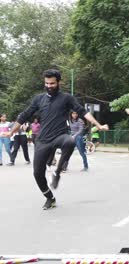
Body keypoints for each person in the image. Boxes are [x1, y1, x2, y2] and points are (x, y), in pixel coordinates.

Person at [0, 69, 108, 210]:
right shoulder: (39, 99)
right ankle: (50, 198)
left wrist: (98, 125)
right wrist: (11, 132)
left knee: (70, 141)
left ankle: (57, 171)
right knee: (37, 173)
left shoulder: (66, 98)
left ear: (58, 82)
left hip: (60, 135)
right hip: (43, 140)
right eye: (47, 83)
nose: (49, 86)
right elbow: (24, 115)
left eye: (52, 83)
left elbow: (82, 111)